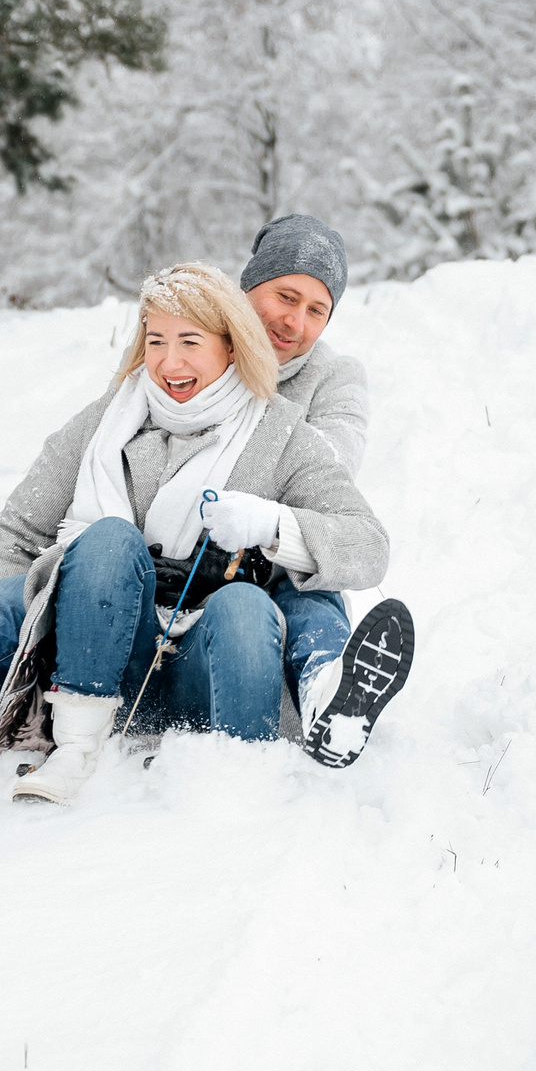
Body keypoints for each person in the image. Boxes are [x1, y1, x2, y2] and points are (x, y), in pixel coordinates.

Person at [0, 262, 412, 804]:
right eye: (156, 341)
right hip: (101, 658)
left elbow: (368, 544)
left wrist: (276, 524)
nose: (169, 361)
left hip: (212, 662)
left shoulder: (279, 432)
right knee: (90, 552)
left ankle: (292, 728)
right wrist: (5, 624)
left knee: (251, 600)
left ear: (231, 345)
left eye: (191, 343)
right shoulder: (107, 422)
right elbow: (19, 526)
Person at [234, 214, 411, 763]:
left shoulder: (336, 377)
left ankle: (329, 689)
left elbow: (331, 464)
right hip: (186, 554)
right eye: (286, 297)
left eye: (318, 310)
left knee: (310, 579)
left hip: (276, 553)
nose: (296, 322)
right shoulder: (196, 352)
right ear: (247, 287)